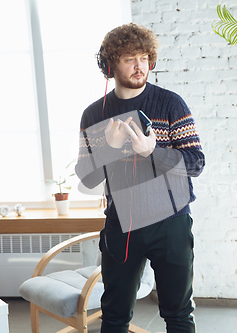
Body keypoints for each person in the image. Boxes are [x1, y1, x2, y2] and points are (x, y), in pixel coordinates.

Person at [75, 23, 205, 333]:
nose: (140, 66)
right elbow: (87, 178)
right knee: (115, 316)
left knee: (178, 314)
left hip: (170, 223)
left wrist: (154, 151)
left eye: (145, 58)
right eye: (130, 58)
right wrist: (111, 149)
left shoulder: (171, 103)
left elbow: (196, 163)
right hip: (122, 225)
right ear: (109, 65)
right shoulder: (93, 115)